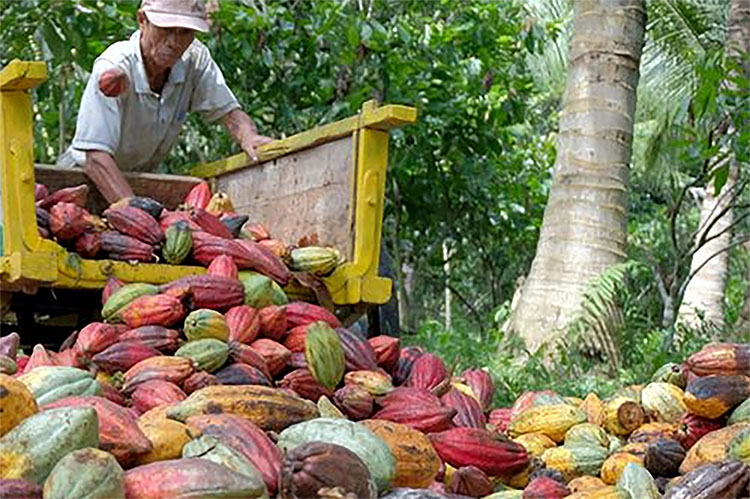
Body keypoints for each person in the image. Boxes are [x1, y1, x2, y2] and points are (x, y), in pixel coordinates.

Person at [57, 0, 272, 203]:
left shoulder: (194, 59)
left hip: (136, 184)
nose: (175, 42)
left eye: (185, 32)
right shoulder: (115, 67)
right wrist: (136, 214)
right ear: (142, 20)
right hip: (81, 184)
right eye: (166, 29)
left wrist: (248, 135)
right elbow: (95, 158)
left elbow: (228, 111)